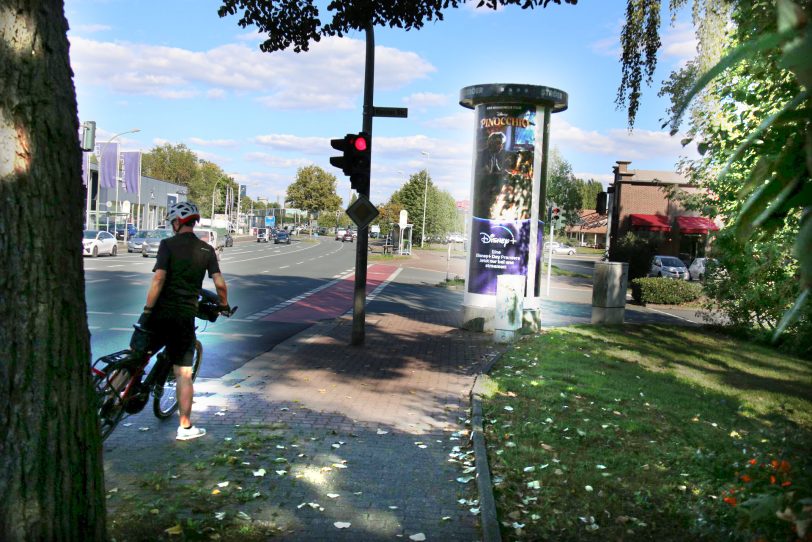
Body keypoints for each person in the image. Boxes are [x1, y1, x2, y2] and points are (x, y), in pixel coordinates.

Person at [137, 201, 229, 441]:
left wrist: (148, 310)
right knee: (183, 374)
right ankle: (185, 428)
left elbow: (158, 280)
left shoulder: (167, 245)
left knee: (135, 355)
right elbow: (219, 283)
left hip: (158, 313)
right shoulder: (206, 250)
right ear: (194, 222)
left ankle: (114, 393)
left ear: (177, 223)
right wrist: (224, 304)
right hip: (183, 317)